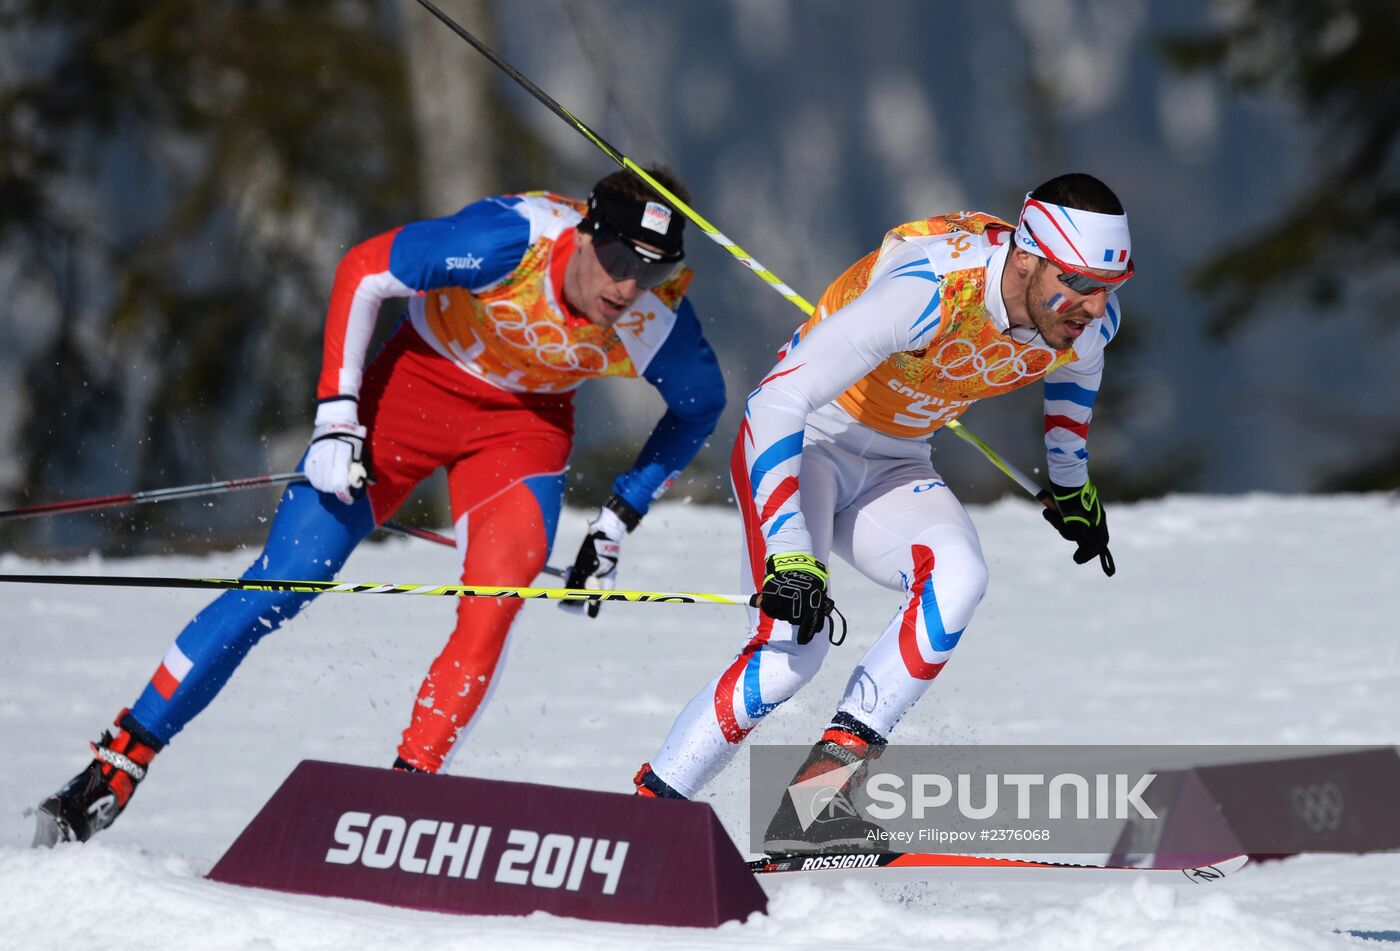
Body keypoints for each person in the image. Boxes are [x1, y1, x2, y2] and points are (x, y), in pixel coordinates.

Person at [35, 167, 726, 845]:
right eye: (615, 259)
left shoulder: (654, 317)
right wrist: (336, 417)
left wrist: (618, 515)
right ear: (583, 235)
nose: (628, 286)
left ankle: (404, 797)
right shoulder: (509, 241)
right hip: (414, 388)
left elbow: (701, 405)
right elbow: (364, 270)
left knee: (495, 601)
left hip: (524, 430)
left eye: (653, 271)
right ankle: (118, 762)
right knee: (284, 580)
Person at [631, 173, 1129, 853]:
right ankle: (645, 817)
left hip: (897, 461)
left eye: (1109, 286)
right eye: (1075, 282)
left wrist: (1071, 486)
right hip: (806, 444)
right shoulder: (927, 288)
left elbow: (1075, 376)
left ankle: (816, 803)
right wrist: (790, 550)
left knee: (958, 578)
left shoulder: (1083, 319)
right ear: (1025, 256)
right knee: (790, 656)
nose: (1092, 306)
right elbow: (773, 403)